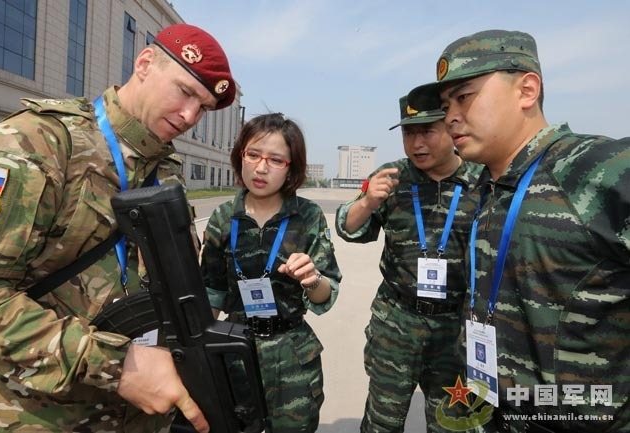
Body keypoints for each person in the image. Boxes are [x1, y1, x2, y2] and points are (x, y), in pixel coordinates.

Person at [0, 23, 236, 433]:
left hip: (143, 419)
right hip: (44, 417)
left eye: (202, 108)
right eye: (184, 92)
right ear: (144, 63)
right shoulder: (33, 143)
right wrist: (116, 365)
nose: (189, 117)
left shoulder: (166, 170)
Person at [409, 29, 630, 432]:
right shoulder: (488, 186)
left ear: (526, 90)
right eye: (446, 105)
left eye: (464, 97)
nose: (450, 116)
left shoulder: (594, 169)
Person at [335, 92, 482, 432]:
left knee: (453, 423)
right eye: (408, 133)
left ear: (451, 126)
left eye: (427, 131)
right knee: (381, 422)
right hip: (396, 324)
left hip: (455, 329)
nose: (416, 143)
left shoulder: (480, 181)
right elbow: (347, 227)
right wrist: (368, 202)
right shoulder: (392, 178)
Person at [200, 113, 341, 432]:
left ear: (291, 167)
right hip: (235, 352)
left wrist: (311, 278)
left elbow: (326, 293)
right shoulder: (223, 218)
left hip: (291, 356)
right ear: (240, 156)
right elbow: (212, 293)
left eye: (276, 160)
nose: (261, 168)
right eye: (253, 155)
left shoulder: (307, 216)